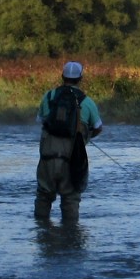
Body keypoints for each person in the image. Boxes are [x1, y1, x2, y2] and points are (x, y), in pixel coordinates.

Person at [34, 61, 103, 222]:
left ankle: (42, 237)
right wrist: (85, 137)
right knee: (71, 199)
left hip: (48, 158)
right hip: (72, 160)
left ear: (62, 76)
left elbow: (40, 120)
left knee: (44, 196)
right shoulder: (87, 102)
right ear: (81, 79)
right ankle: (70, 238)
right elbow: (98, 128)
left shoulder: (49, 96)